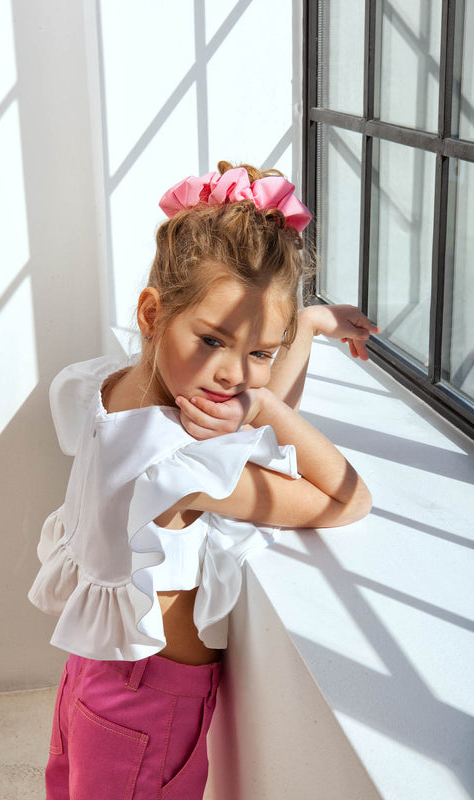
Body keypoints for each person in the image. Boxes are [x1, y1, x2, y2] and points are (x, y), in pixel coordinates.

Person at [29, 161, 378, 800]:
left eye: (259, 353)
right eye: (213, 340)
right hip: (147, 704)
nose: (233, 375)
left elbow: (243, 423)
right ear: (152, 313)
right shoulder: (178, 465)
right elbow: (346, 499)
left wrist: (305, 329)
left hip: (91, 672)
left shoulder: (102, 387)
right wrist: (268, 404)